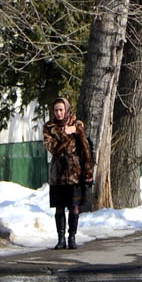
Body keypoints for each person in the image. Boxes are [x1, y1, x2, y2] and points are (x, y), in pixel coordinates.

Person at [43, 97, 94, 250]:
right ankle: (60, 239)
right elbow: (52, 147)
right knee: (59, 207)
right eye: (56, 110)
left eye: (61, 110)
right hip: (58, 172)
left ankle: (72, 237)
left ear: (66, 110)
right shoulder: (49, 127)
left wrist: (88, 169)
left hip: (74, 171)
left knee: (74, 206)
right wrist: (66, 134)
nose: (59, 113)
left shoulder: (76, 124)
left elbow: (85, 148)